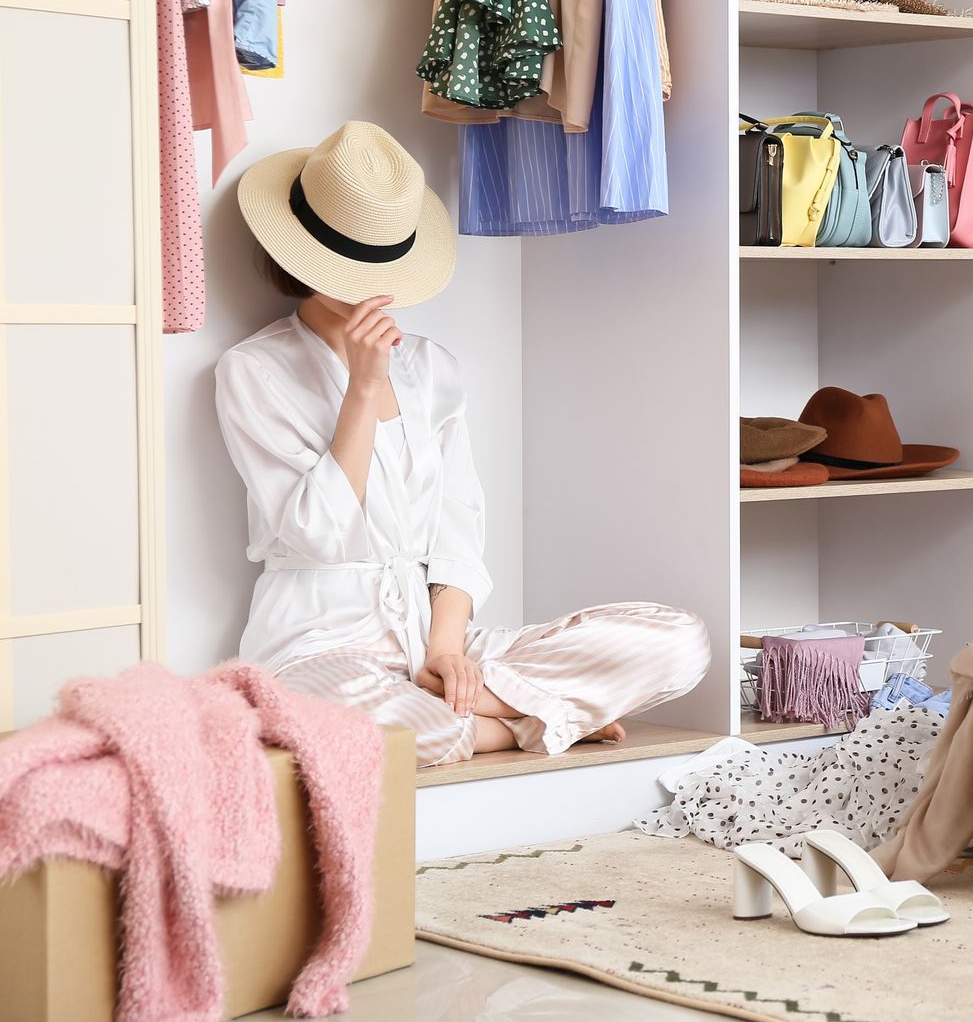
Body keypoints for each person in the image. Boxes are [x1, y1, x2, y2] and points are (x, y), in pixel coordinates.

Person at [215, 121, 709, 766]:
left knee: (681, 644)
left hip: (434, 639)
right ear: (299, 255)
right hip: (319, 649)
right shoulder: (254, 371)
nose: (370, 283)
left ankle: (490, 706)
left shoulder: (432, 369)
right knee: (415, 733)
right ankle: (529, 722)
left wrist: (446, 654)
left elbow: (457, 531)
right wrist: (363, 388)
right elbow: (319, 535)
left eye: (380, 260)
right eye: (348, 262)